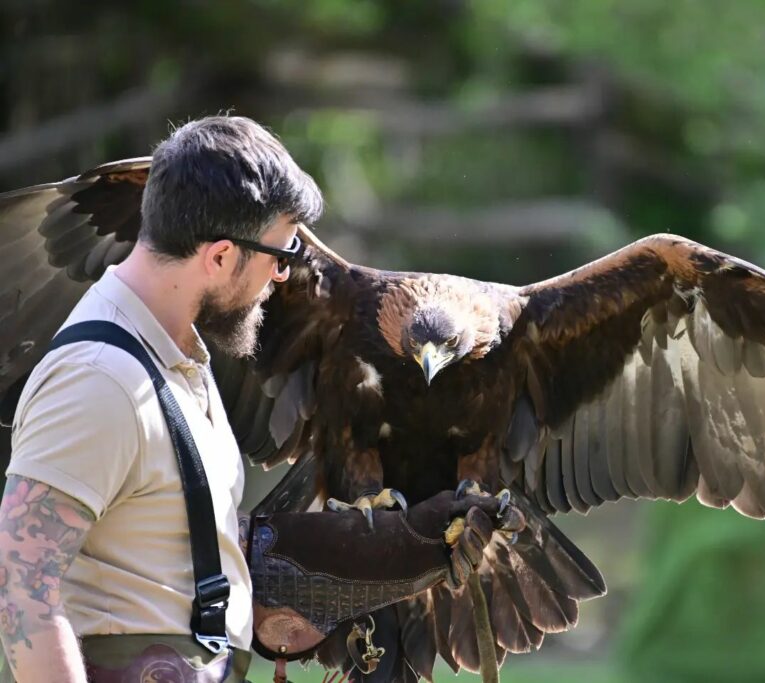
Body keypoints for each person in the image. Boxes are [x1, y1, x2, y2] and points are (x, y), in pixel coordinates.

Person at [0, 116, 508, 682]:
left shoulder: (178, 365)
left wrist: (376, 554)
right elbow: (20, 587)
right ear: (219, 257)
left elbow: (169, 551)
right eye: (279, 253)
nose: (284, 274)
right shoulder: (99, 378)